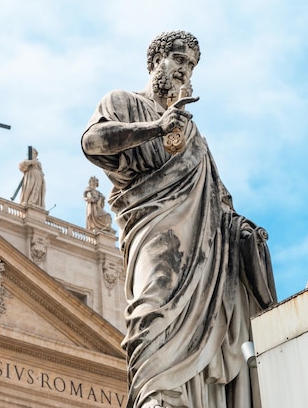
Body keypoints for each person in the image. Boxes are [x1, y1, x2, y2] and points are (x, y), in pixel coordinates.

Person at [81, 30, 277, 408]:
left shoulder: (192, 133)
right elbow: (93, 141)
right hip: (153, 229)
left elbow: (218, 199)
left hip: (202, 246)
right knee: (151, 308)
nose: (185, 72)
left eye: (191, 66)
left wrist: (241, 231)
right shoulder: (122, 102)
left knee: (194, 323)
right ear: (156, 61)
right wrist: (156, 128)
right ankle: (157, 395)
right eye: (179, 60)